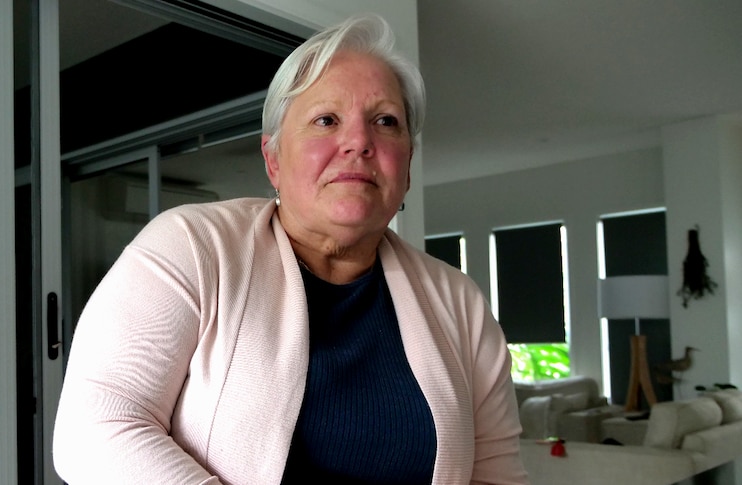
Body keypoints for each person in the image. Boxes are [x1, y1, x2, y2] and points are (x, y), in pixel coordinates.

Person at [53, 12, 527, 485]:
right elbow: (95, 431)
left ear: (407, 166)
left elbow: (496, 474)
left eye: (386, 121)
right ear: (273, 160)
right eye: (326, 119)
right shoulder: (193, 247)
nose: (360, 141)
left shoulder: (460, 304)